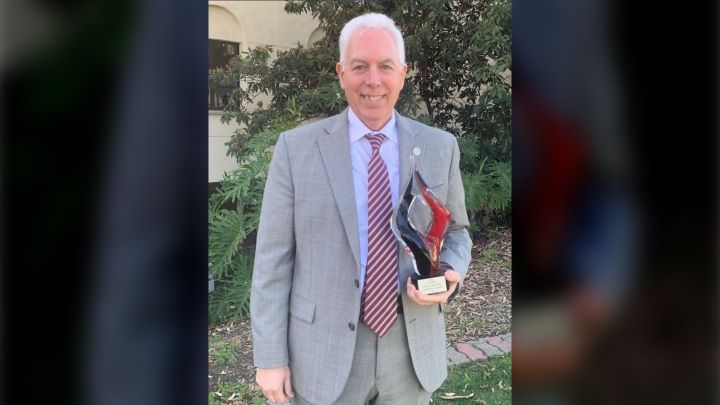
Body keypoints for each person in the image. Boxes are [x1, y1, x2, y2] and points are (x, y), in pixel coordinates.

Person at [251, 13, 472, 405]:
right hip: (322, 355)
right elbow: (272, 261)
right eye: (360, 67)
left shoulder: (440, 148)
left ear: (402, 73)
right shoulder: (295, 150)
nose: (373, 80)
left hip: (410, 353)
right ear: (341, 73)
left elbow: (456, 232)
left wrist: (452, 271)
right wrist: (270, 358)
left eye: (385, 66)